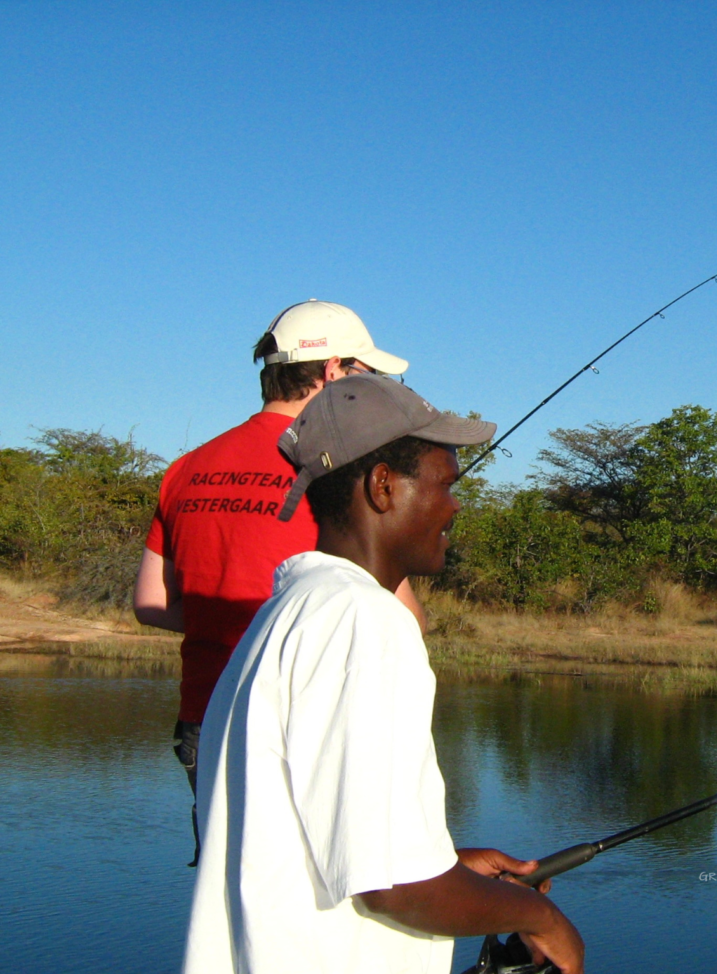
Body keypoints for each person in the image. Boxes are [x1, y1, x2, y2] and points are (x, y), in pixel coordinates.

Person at [184, 372, 584, 974]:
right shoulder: (365, 623)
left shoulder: (288, 611)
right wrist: (542, 921)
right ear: (382, 486)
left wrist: (442, 860)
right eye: (446, 484)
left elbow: (345, 844)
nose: (455, 507)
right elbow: (394, 888)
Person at [133, 300, 427, 862]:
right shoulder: (339, 471)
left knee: (230, 899)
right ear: (334, 371)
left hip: (204, 720)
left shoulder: (186, 467)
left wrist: (237, 622)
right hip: (308, 725)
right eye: (367, 375)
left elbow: (151, 601)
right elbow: (404, 618)